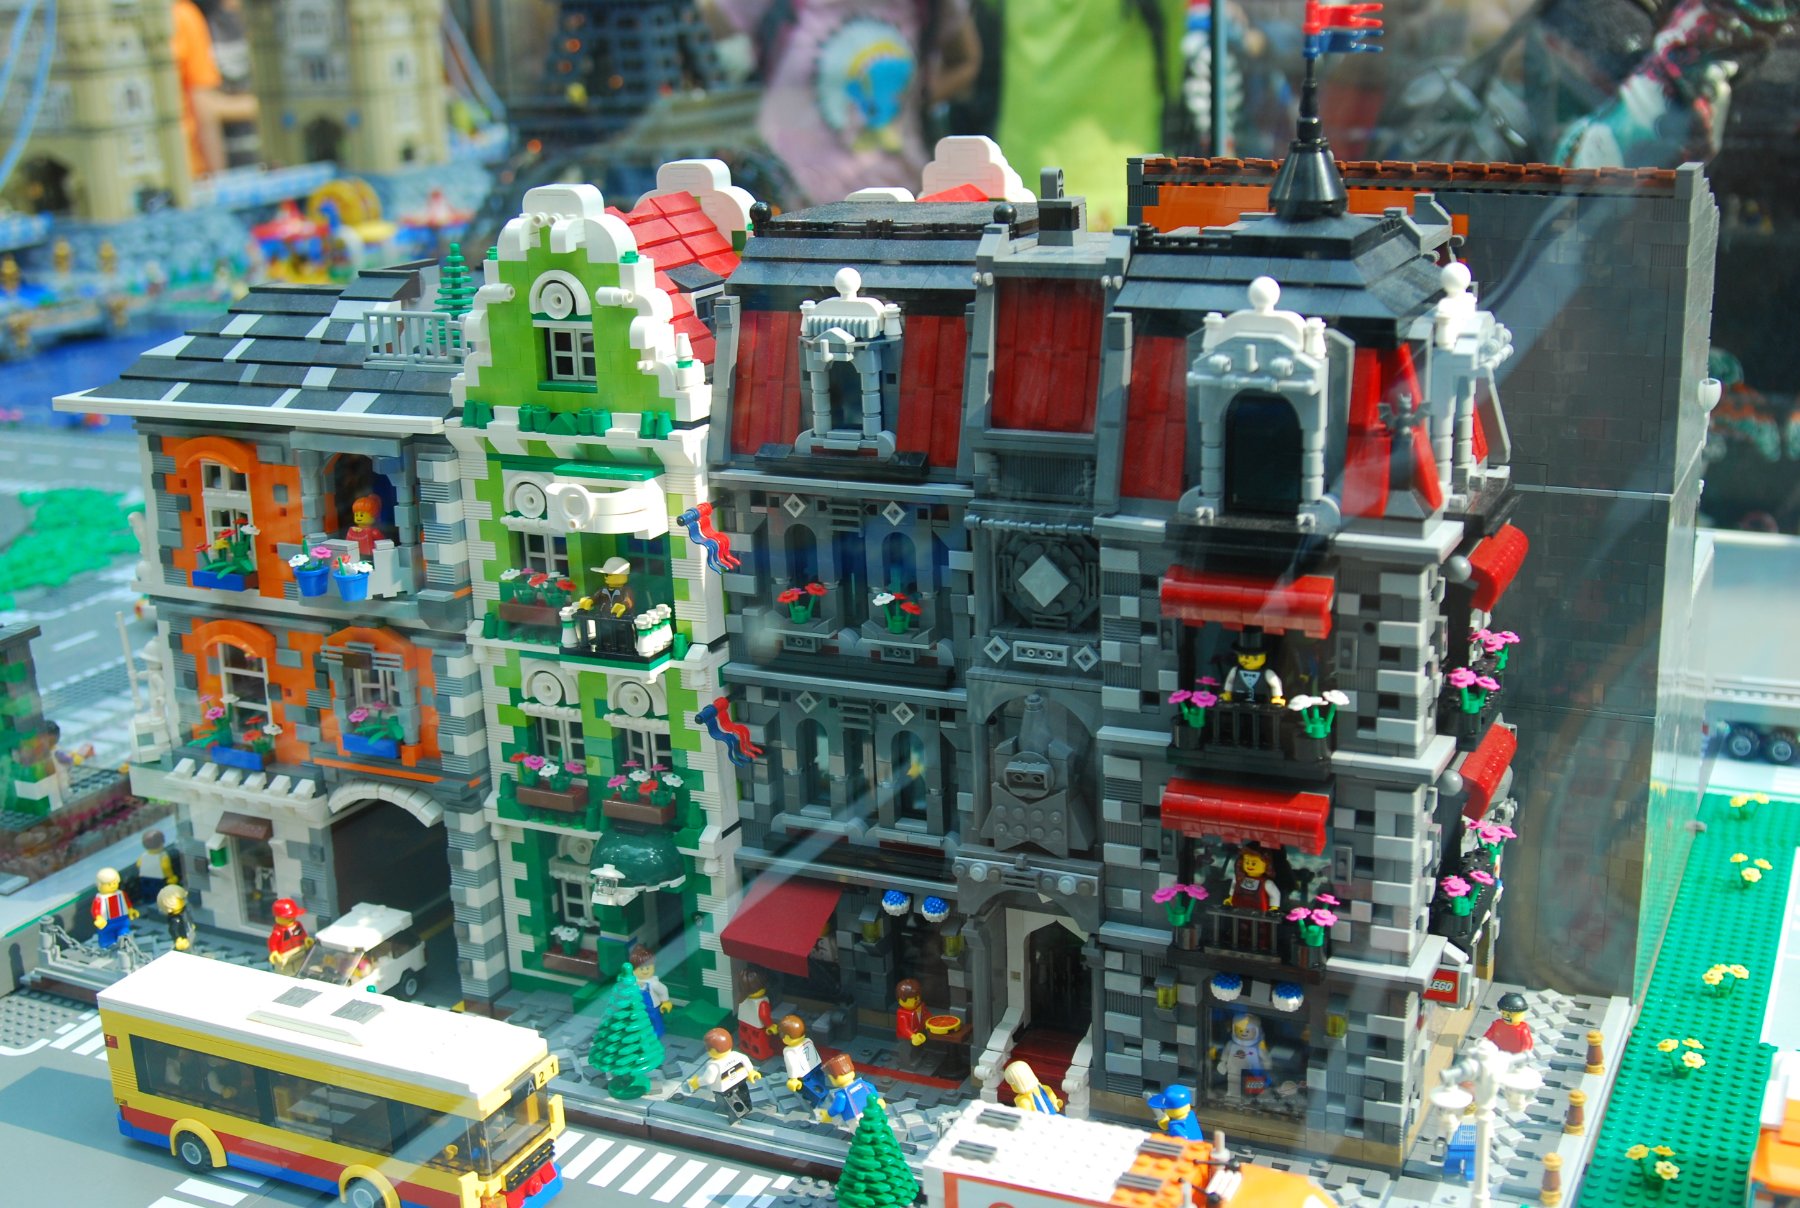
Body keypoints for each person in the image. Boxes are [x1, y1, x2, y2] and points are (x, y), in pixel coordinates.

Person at [702, 0, 982, 207]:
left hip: (898, 205)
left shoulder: (931, 6)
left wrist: (907, 103)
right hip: (792, 207)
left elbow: (965, 62)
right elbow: (693, 28)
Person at [171, 1, 259, 178]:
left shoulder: (185, 14)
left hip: (199, 166)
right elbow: (204, 106)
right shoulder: (186, 15)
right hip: (192, 168)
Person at [687, 1027, 761, 1120]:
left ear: (712, 1051)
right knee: (744, 1094)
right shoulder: (736, 1055)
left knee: (729, 1103)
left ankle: (735, 1117)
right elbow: (745, 1060)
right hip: (740, 1082)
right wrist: (751, 1072)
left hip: (725, 1089)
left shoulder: (714, 1065)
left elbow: (708, 1080)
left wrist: (696, 1082)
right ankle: (747, 1108)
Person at [779, 1014, 831, 1109]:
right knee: (819, 1080)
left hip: (803, 1073)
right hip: (816, 1065)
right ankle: (822, 1093)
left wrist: (793, 1078)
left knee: (806, 1087)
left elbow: (792, 1065)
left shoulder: (789, 1051)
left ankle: (817, 1100)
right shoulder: (808, 1040)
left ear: (786, 1037)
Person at [1214, 1012, 1270, 1100]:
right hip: (1234, 1069)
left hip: (1254, 1070)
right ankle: (1233, 1094)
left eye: (1247, 1031)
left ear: (1256, 1031)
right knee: (1233, 1078)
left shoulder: (1258, 1047)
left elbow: (1265, 1058)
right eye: (1240, 1030)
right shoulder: (1231, 1045)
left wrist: (1266, 1064)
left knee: (1255, 1081)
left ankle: (1256, 1096)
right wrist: (1223, 1063)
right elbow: (1225, 1055)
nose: (1244, 1033)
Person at [817, 1053, 880, 1129]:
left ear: (833, 1078)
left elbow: (837, 1108)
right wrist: (878, 1101)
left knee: (860, 1131)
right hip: (872, 1111)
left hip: (855, 1118)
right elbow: (872, 1089)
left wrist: (828, 1114)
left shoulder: (841, 1094)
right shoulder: (862, 1083)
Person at [736, 967, 778, 1061]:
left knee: (745, 1038)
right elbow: (764, 1016)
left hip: (743, 1023)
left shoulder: (742, 998)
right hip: (758, 1028)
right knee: (759, 1042)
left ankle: (745, 1048)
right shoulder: (762, 1002)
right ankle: (762, 1053)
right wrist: (770, 1026)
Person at [630, 944, 672, 1038]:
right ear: (633, 970)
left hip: (653, 1008)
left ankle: (658, 1032)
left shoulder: (654, 984)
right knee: (639, 1021)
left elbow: (663, 990)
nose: (645, 971)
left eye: (648, 968)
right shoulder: (633, 983)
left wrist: (666, 1002)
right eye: (641, 969)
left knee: (655, 1020)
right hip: (638, 1008)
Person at [91, 868, 138, 950]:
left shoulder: (121, 894)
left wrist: (131, 911)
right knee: (107, 937)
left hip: (122, 920)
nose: (112, 885)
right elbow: (96, 910)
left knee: (124, 933)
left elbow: (127, 903)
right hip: (107, 922)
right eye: (109, 884)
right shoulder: (100, 899)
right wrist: (98, 918)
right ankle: (108, 947)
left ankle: (125, 944)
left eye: (114, 883)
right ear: (100, 885)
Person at [135, 829, 180, 911]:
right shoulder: (163, 856)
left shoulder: (143, 856)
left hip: (145, 881)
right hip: (160, 881)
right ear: (161, 843)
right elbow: (166, 868)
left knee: (150, 896)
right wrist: (172, 878)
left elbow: (138, 864)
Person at [267, 897, 311, 972]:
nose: (291, 919)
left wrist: (306, 939)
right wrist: (274, 952)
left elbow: (302, 933)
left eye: (293, 917)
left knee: (301, 969)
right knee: (287, 972)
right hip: (285, 956)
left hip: (300, 951)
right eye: (288, 918)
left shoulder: (297, 925)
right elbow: (272, 942)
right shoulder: (278, 932)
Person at [158, 884, 195, 952]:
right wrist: (178, 939)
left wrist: (191, 924)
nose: (182, 901)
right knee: (186, 951)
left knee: (191, 947)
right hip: (183, 938)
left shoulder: (184, 910)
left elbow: (188, 917)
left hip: (189, 932)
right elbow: (173, 930)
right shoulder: (175, 919)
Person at [895, 977, 929, 1048]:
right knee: (907, 1049)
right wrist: (912, 1035)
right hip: (907, 1038)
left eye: (918, 997)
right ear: (901, 1000)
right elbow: (904, 1028)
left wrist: (929, 1022)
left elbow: (925, 1015)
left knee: (919, 1048)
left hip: (919, 1033)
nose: (917, 1000)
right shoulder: (902, 1015)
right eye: (914, 999)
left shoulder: (920, 1007)